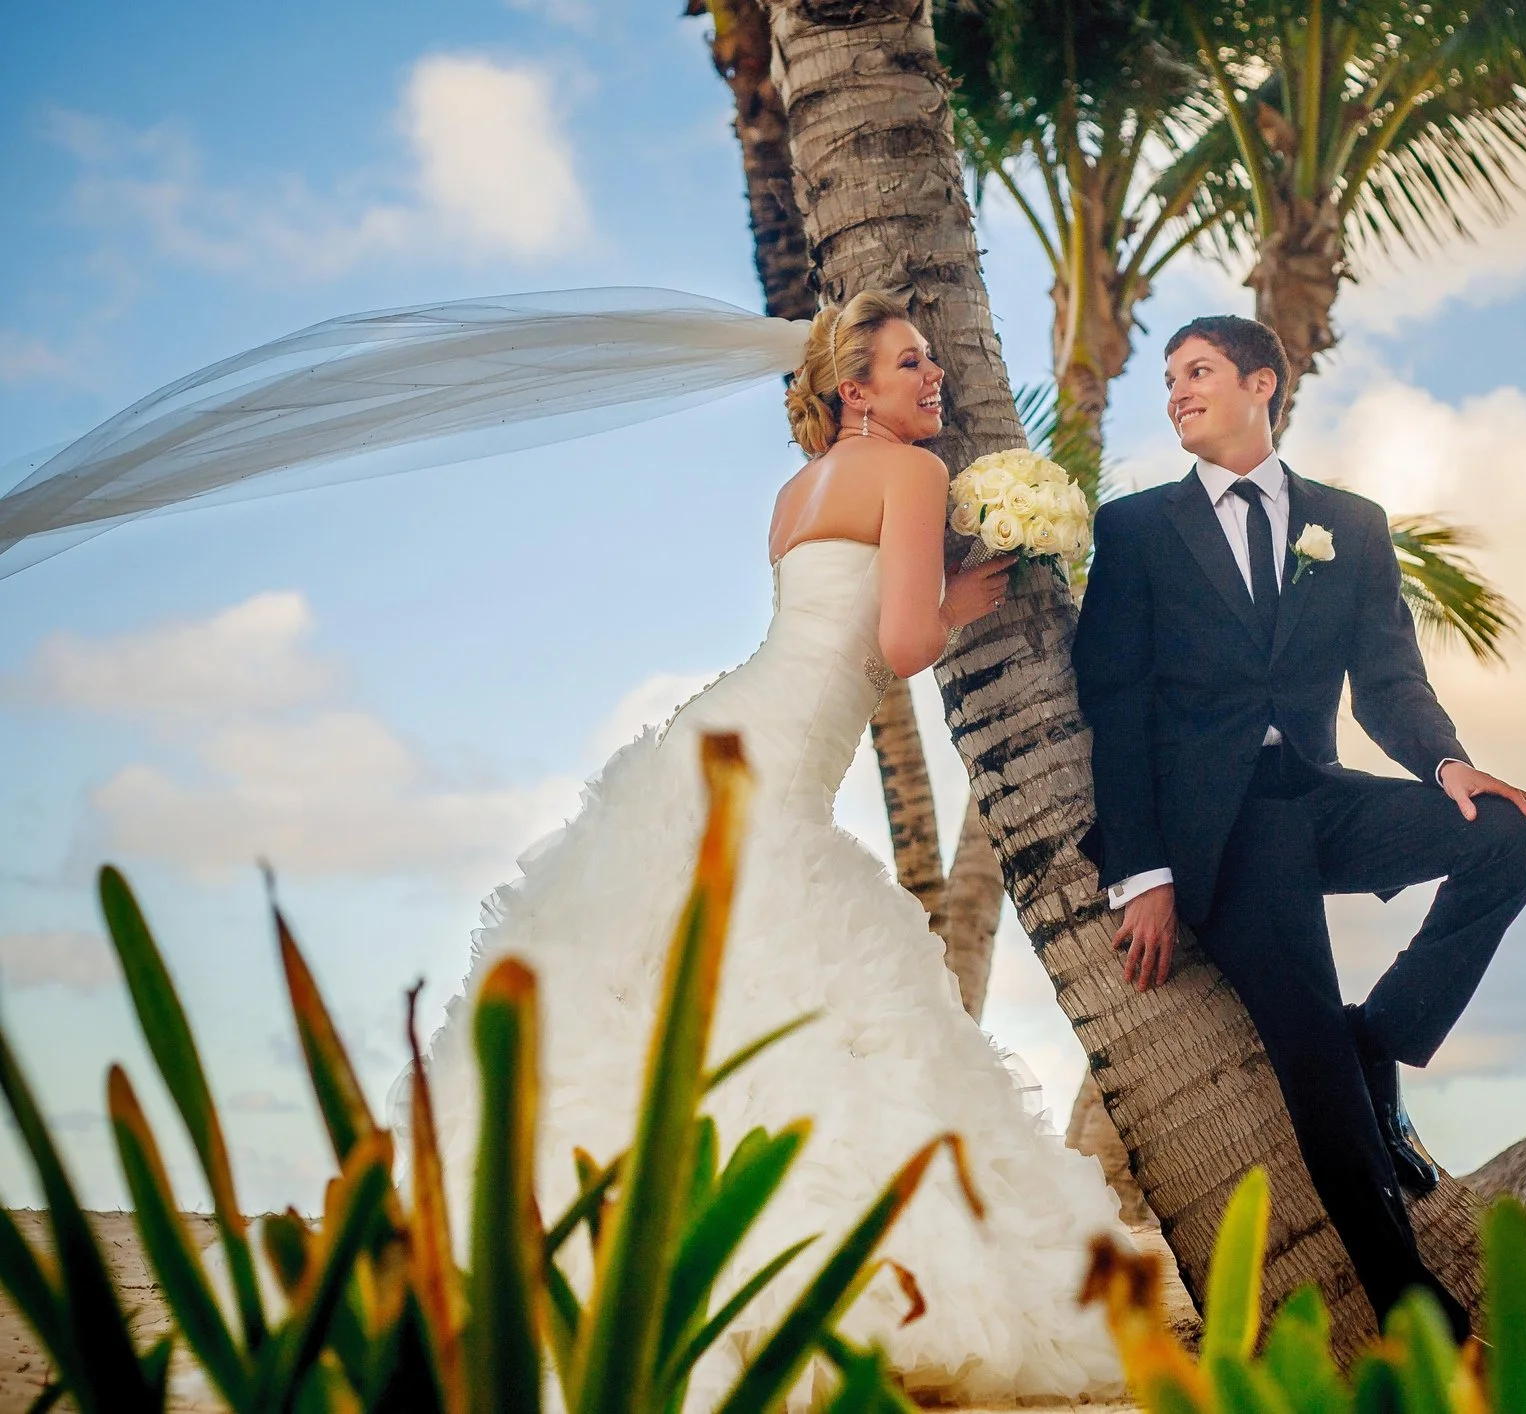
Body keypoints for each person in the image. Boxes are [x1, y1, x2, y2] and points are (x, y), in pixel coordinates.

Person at [404, 291, 1124, 1407]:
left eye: (931, 359)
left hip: (714, 737)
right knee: (793, 990)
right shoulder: (913, 475)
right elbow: (896, 643)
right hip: (777, 768)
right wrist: (967, 597)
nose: (936, 378)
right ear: (857, 392)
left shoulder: (797, 492)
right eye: (910, 362)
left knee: (652, 998)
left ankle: (580, 1250)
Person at [1072, 314, 1526, 1339]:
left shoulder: (1352, 523)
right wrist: (1143, 872)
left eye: (1197, 371)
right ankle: (1417, 1313)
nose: (1175, 393)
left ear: (1262, 386)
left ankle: (1383, 1033)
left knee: (1510, 834)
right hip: (1224, 838)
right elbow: (1116, 709)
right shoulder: (1137, 531)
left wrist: (1448, 763)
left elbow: (1388, 679)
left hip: (1318, 798)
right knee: (1314, 1069)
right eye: (1168, 379)